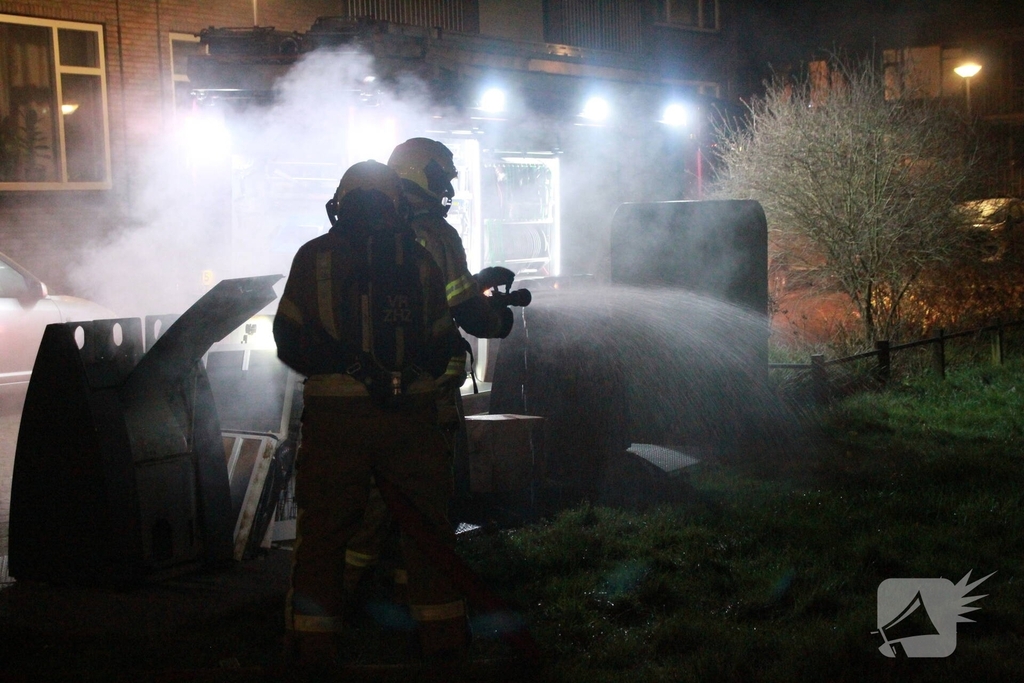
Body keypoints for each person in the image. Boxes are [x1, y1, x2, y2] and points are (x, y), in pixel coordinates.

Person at [273, 160, 468, 672]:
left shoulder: (312, 257)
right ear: (395, 203)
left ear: (340, 204)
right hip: (412, 417)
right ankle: (442, 638)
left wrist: (342, 370)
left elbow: (288, 340)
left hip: (336, 419)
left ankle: (314, 645)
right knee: (425, 526)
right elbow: (442, 339)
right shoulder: (421, 261)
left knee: (325, 532)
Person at [340, 139, 523, 598]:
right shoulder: (437, 234)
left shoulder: (373, 233)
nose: (446, 188)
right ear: (419, 175)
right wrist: (499, 318)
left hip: (371, 384)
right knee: (424, 491)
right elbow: (460, 309)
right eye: (440, 177)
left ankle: (361, 582)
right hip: (425, 389)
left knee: (377, 488)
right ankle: (409, 587)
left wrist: (478, 281)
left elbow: (425, 292)